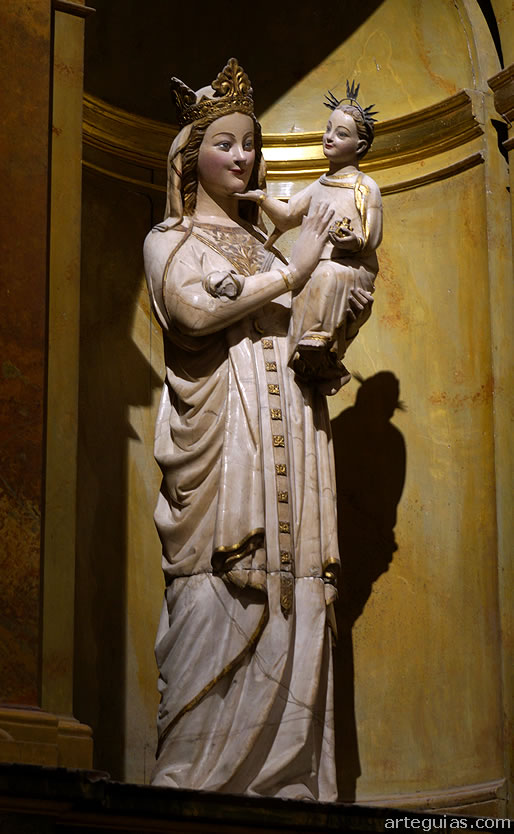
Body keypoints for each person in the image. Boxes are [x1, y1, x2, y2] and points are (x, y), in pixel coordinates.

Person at [143, 58, 372, 799]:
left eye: (251, 146)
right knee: (219, 596)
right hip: (225, 452)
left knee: (294, 588)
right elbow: (194, 313)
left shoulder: (271, 244)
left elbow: (301, 311)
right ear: (191, 155)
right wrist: (292, 273)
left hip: (294, 439)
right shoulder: (168, 240)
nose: (243, 157)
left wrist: (327, 313)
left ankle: (290, 778)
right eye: (227, 144)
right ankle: (196, 778)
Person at [239, 82, 382, 395]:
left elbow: (372, 236)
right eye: (329, 129)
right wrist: (262, 198)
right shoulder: (320, 185)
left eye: (341, 134)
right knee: (309, 280)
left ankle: (319, 341)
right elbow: (289, 214)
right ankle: (309, 355)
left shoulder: (364, 187)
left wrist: (350, 241)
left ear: (359, 146)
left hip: (353, 269)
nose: (329, 137)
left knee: (327, 274)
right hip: (317, 270)